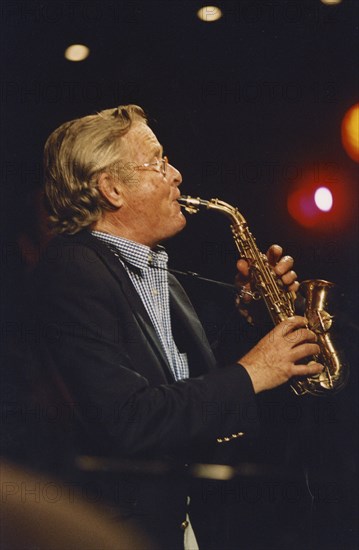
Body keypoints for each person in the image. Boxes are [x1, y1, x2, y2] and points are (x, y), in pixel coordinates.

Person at [31, 104, 323, 549]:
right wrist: (255, 371)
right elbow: (126, 418)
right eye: (159, 160)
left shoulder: (158, 273)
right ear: (111, 189)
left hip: (186, 523)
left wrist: (252, 323)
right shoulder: (71, 268)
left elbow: (192, 391)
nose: (177, 174)